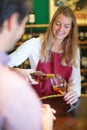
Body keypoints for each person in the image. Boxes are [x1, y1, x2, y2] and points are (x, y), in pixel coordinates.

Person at [8, 6, 81, 106]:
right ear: (52, 24)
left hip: (64, 104)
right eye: (58, 24)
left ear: (71, 29)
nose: (61, 29)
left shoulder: (74, 50)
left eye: (66, 26)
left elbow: (75, 80)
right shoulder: (34, 44)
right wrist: (20, 71)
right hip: (38, 105)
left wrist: (74, 92)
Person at [0, 0, 56, 130]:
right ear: (12, 21)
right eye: (23, 24)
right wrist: (46, 123)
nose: (22, 31)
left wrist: (19, 71)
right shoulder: (17, 93)